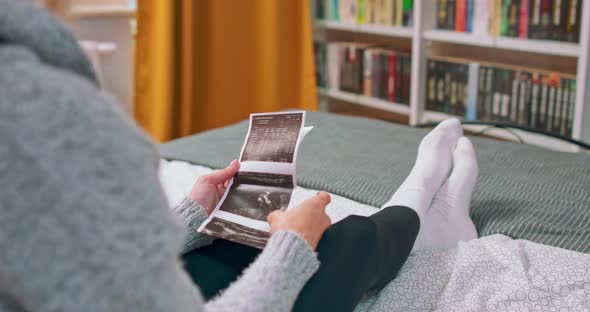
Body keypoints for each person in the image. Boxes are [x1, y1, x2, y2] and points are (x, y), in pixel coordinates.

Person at [0, 2, 478, 312]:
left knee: (232, 240)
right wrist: (291, 248)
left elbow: (93, 272)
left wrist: (190, 214)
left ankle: (428, 216)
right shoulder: (33, 114)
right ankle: (432, 221)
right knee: (350, 236)